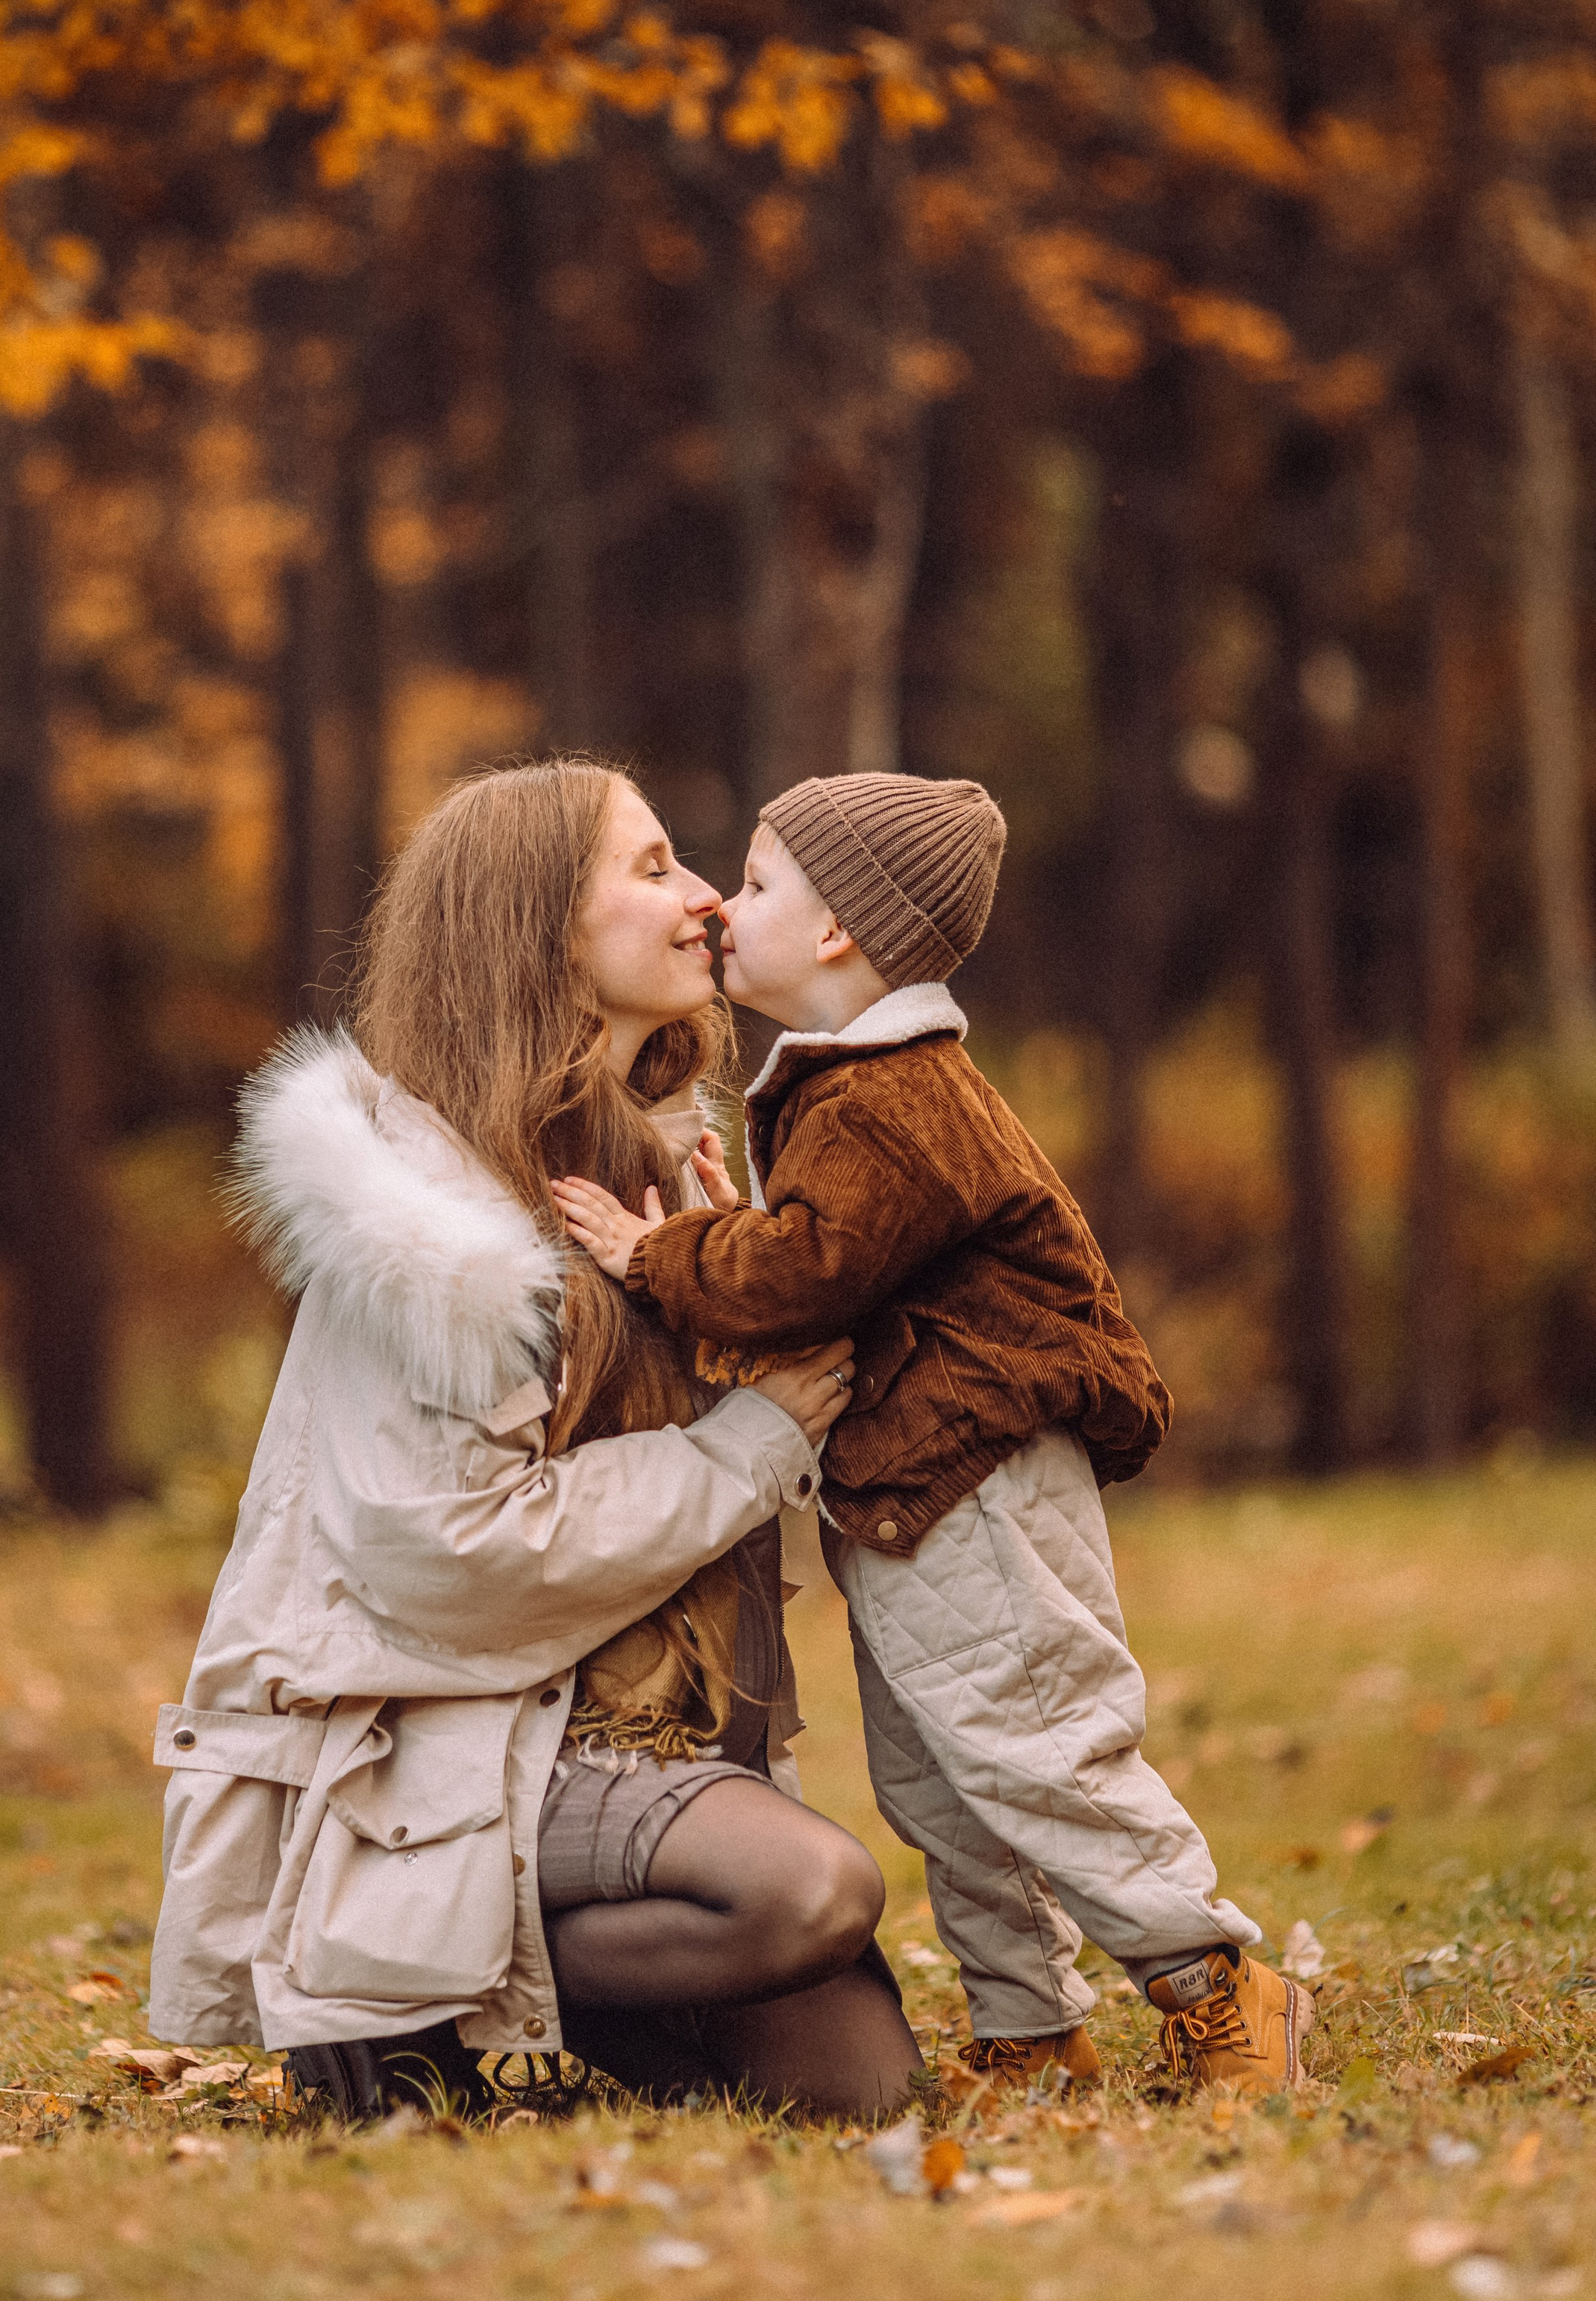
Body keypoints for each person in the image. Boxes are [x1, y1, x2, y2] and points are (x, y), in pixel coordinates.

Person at [147, 760, 923, 2122]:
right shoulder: (427, 1231)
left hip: (644, 1737)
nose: (700, 902)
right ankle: (387, 1986)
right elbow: (444, 1550)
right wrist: (741, 1448)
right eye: (653, 868)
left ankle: (494, 1989)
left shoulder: (671, 1173)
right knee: (817, 1890)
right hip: (453, 1747)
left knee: (857, 2087)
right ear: (539, 932)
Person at [553, 772, 1309, 2097]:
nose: (724, 905)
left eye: (763, 883)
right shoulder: (850, 1090)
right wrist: (744, 1230)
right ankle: (1031, 2029)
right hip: (918, 1498)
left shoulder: (900, 1093)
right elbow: (827, 1272)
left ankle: (1218, 1983)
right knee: (944, 1784)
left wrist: (664, 1247)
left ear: (840, 931)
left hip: (984, 1485)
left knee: (1034, 1745)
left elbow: (809, 1275)